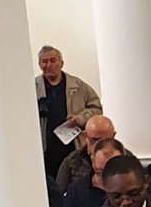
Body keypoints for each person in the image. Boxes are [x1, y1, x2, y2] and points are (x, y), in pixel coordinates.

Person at [35, 45, 101, 185]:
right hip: (44, 152)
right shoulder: (32, 88)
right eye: (44, 61)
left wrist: (80, 119)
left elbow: (97, 109)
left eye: (53, 60)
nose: (49, 65)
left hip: (74, 149)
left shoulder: (79, 87)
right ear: (39, 64)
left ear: (61, 63)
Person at [59, 137, 124, 207]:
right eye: (100, 172)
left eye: (112, 171)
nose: (106, 177)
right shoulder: (76, 191)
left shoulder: (134, 188)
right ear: (93, 161)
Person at [52, 114, 119, 199]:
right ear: (85, 136)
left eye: (106, 141)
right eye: (94, 141)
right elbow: (59, 197)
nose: (99, 147)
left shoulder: (126, 160)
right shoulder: (72, 161)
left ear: (113, 136)